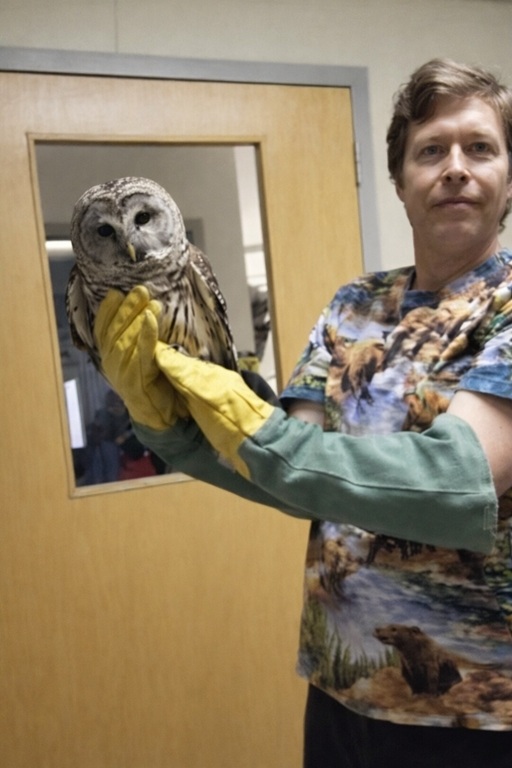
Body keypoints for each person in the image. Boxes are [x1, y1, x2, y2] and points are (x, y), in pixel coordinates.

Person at [93, 59, 512, 766]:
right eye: (430, 151)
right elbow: (291, 471)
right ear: (400, 180)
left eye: (480, 147)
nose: (455, 169)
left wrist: (262, 434)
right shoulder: (353, 305)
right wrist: (172, 424)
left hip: (475, 715)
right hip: (340, 685)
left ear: (509, 175)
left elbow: (458, 478)